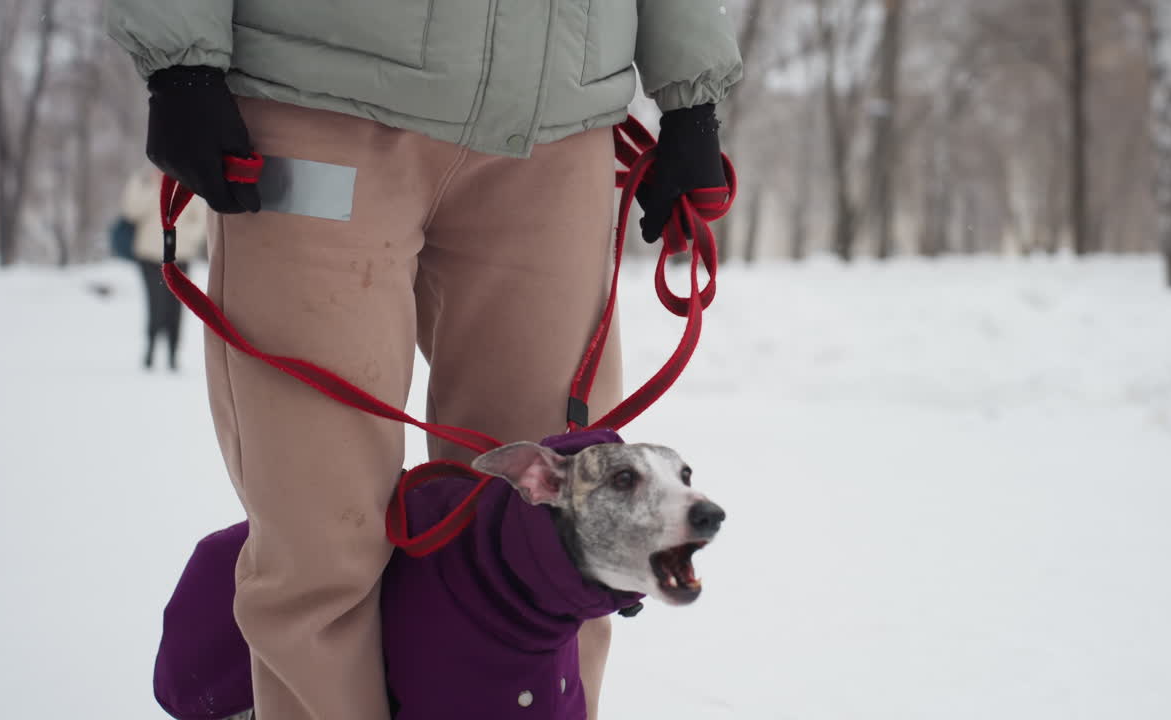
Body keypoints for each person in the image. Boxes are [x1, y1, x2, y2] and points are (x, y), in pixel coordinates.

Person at [107, 3, 741, 718]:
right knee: (322, 533)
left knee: (558, 539)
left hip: (556, 122)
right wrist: (181, 61)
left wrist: (692, 97)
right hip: (319, 92)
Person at [120, 166, 207, 371]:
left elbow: (201, 218)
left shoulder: (187, 185)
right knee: (155, 303)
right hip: (149, 256)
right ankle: (150, 349)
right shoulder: (144, 183)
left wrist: (188, 239)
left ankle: (172, 354)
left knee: (175, 307)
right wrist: (151, 186)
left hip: (179, 256)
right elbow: (131, 211)